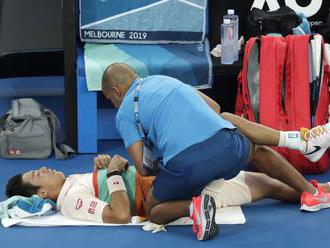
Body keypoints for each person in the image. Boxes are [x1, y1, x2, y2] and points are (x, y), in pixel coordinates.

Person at [101, 63, 330, 240]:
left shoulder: (124, 114)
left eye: (110, 99)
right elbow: (215, 109)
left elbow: (142, 167)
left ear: (116, 91)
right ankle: (310, 187)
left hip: (185, 168)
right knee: (256, 148)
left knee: (154, 211)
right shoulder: (166, 80)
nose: (113, 104)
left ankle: (195, 208)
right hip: (227, 149)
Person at [6, 154, 330, 233]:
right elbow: (119, 215)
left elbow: (108, 181)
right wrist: (115, 174)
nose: (44, 169)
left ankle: (315, 191)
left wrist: (105, 166)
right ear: (44, 194)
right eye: (38, 175)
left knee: (261, 180)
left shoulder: (72, 181)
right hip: (162, 193)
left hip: (161, 178)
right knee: (262, 181)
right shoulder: (69, 201)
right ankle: (316, 192)